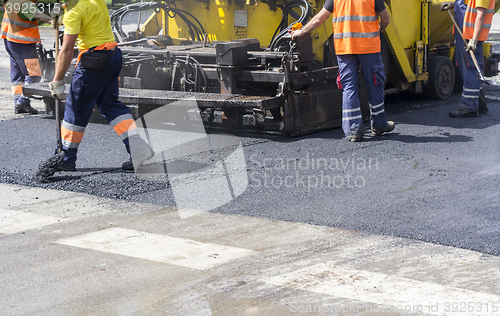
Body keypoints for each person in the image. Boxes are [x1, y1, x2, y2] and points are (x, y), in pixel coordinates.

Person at [48, 0, 154, 171]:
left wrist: (57, 80)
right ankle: (138, 149)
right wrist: (60, 14)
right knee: (109, 105)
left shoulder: (74, 12)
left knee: (76, 109)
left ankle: (65, 158)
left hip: (93, 62)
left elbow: (67, 50)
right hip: (112, 55)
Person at [292, 0, 394, 142]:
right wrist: (380, 29)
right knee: (374, 83)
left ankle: (353, 131)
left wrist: (301, 31)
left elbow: (318, 20)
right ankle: (379, 125)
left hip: (345, 48)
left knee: (348, 87)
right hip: (369, 47)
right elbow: (386, 19)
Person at [1, 0, 52, 114]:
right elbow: (39, 16)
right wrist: (58, 21)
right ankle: (23, 101)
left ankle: (18, 102)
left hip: (11, 41)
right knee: (34, 75)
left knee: (18, 75)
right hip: (24, 43)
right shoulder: (25, 3)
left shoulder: (12, 1)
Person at [447, 0, 495, 117]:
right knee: (465, 69)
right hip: (463, 33)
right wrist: (453, 4)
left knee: (471, 69)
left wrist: (474, 40)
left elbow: (480, 14)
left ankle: (469, 107)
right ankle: (480, 103)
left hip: (470, 37)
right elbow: (468, 4)